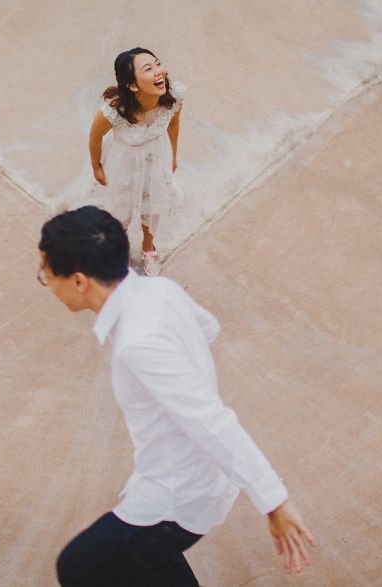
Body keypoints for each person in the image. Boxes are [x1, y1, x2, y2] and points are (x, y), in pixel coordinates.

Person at [38, 206, 316, 586]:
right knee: (146, 561)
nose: (47, 283)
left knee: (78, 566)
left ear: (80, 281)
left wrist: (274, 501)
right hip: (192, 483)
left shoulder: (140, 343)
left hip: (175, 499)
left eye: (47, 274)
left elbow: (210, 420)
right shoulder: (159, 290)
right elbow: (209, 327)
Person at [88, 47, 185, 277]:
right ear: (132, 85)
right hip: (124, 164)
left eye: (158, 64)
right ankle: (120, 250)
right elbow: (95, 136)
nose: (159, 71)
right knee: (120, 211)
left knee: (153, 204)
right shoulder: (114, 111)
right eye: (148, 69)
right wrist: (96, 166)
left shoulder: (175, 95)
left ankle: (148, 248)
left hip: (155, 158)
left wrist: (173, 155)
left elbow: (173, 124)